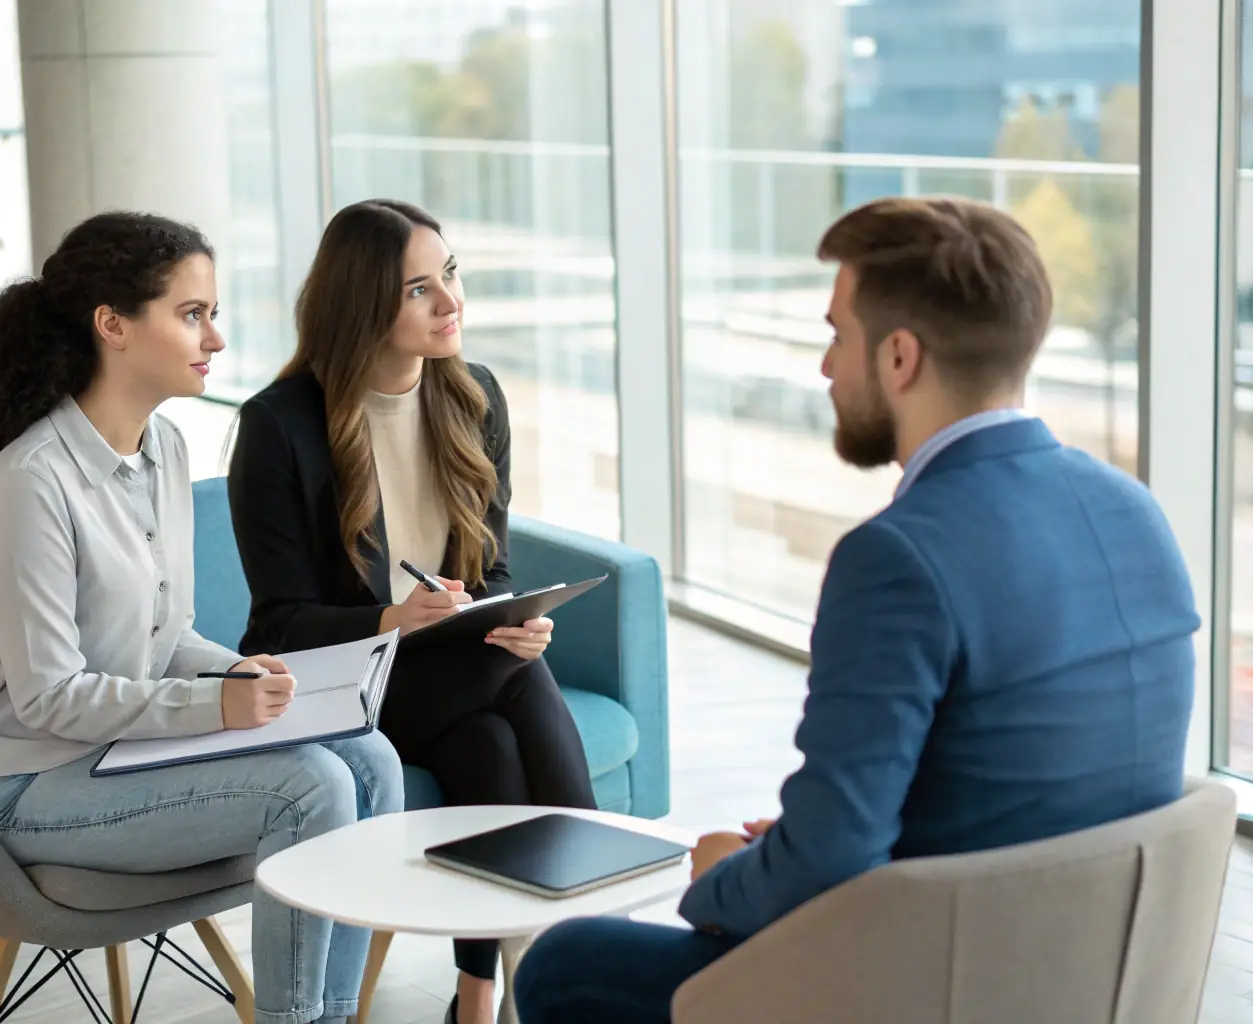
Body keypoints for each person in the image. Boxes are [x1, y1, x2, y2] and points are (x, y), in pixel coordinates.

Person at [513, 196, 1201, 1022]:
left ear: (900, 356)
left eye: (838, 334)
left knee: (566, 962)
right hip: (1085, 971)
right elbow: (1025, 780)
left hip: (936, 981)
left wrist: (722, 873)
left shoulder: (898, 557)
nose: (825, 366)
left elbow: (831, 860)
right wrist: (811, 843)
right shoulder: (1132, 510)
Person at [0, 211, 405, 1024]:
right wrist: (211, 706)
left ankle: (336, 1014)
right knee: (309, 786)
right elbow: (49, 697)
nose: (214, 339)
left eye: (212, 314)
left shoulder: (165, 450)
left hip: (116, 750)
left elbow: (164, 634)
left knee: (369, 757)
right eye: (193, 314)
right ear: (111, 326)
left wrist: (234, 673)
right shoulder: (29, 485)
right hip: (24, 779)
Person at [227, 199, 597, 1024]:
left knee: (490, 741)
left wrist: (514, 621)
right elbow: (279, 622)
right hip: (346, 689)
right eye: (419, 290)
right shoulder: (279, 425)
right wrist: (394, 621)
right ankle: (592, 937)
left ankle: (477, 992)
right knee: (507, 690)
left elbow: (489, 568)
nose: (450, 302)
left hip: (460, 677)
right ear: (364, 304)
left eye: (451, 275)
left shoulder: (476, 398)